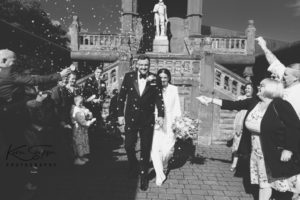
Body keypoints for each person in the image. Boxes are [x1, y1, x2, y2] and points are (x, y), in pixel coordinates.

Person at [198, 78, 300, 200]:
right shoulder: (255, 101)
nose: (258, 87)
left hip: (274, 152)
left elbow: (294, 127)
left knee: (282, 186)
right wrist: (210, 100)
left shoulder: (280, 104)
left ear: (271, 89)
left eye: (261, 85)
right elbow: (234, 104)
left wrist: (289, 149)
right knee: (263, 184)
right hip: (257, 152)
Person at [117, 55, 164, 191]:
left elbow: (159, 99)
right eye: (141, 65)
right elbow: (121, 97)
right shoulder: (129, 76)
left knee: (145, 148)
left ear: (149, 66)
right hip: (131, 117)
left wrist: (161, 115)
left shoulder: (155, 78)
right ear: (137, 65)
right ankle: (133, 165)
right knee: (128, 146)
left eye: (146, 65)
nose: (144, 67)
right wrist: (120, 114)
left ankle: (143, 177)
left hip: (147, 119)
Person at [151, 68, 181, 186]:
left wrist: (178, 122)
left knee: (168, 150)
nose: (163, 80)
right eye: (160, 77)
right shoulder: (153, 88)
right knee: (155, 149)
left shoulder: (174, 89)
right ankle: (160, 175)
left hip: (169, 122)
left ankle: (164, 164)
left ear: (169, 78)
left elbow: (177, 107)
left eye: (165, 77)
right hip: (155, 122)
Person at [256, 36, 300, 119]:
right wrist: (264, 46)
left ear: (296, 78)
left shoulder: (298, 94)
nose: (282, 76)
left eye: (285, 75)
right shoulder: (285, 76)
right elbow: (273, 61)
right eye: (283, 73)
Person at [230, 83, 254, 172]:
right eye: (246, 88)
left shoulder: (255, 100)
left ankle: (246, 165)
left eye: (249, 88)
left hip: (250, 123)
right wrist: (237, 126)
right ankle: (234, 164)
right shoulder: (240, 98)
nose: (247, 90)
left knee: (249, 144)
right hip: (240, 123)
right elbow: (238, 112)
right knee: (237, 143)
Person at [71, 95, 96, 165]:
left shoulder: (81, 108)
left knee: (83, 141)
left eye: (82, 102)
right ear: (75, 102)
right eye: (80, 102)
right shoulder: (76, 110)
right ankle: (78, 158)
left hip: (82, 129)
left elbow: (87, 113)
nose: (81, 104)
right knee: (78, 143)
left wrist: (88, 115)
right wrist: (90, 122)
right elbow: (81, 121)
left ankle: (82, 156)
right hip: (78, 128)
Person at [82, 67, 107, 133]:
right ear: (94, 72)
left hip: (99, 105)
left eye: (100, 72)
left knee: (98, 121)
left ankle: (97, 137)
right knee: (91, 121)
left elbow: (104, 93)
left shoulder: (103, 82)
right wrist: (93, 100)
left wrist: (101, 99)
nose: (98, 74)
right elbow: (86, 93)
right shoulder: (89, 81)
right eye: (97, 72)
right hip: (90, 105)